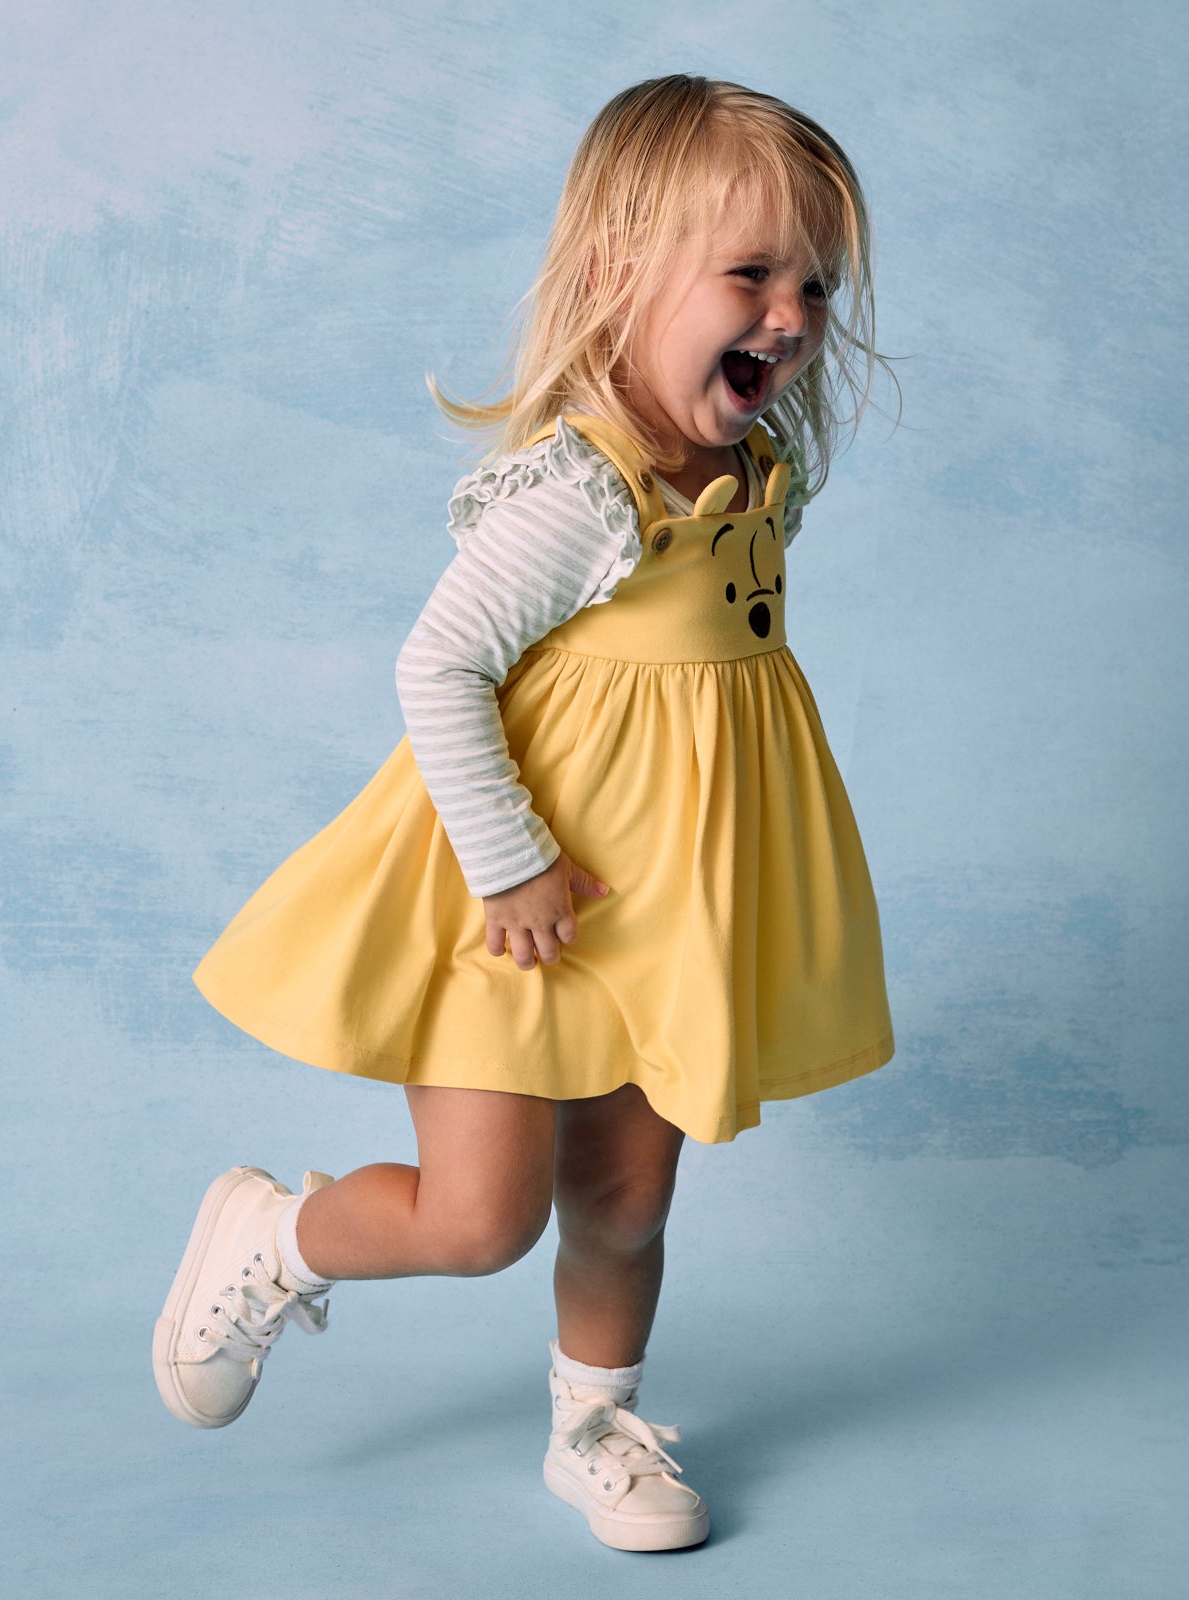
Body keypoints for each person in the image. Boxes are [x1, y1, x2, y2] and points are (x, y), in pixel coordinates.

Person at [153, 73, 897, 1554]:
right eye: (750, 273)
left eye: (815, 279)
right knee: (480, 1219)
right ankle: (274, 1237)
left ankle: (596, 1425)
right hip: (522, 906)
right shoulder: (582, 493)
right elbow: (439, 664)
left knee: (624, 1197)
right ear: (620, 273)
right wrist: (511, 865)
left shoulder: (761, 462)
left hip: (666, 900)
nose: (795, 315)